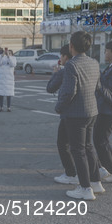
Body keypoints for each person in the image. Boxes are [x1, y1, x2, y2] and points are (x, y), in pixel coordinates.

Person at [56, 31, 104, 200]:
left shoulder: (71, 65)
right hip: (92, 111)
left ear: (72, 46)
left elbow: (69, 91)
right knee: (88, 147)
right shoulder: (94, 62)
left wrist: (59, 107)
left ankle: (85, 188)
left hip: (76, 113)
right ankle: (96, 182)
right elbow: (98, 86)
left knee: (78, 150)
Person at [48, 45, 78, 185]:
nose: (60, 59)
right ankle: (93, 175)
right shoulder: (91, 64)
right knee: (84, 146)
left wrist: (55, 73)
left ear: (66, 56)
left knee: (63, 143)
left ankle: (71, 173)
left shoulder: (66, 70)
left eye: (61, 56)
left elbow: (50, 88)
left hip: (69, 113)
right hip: (88, 112)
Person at [93, 40, 112, 183]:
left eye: (106, 51)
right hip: (105, 109)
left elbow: (107, 86)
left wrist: (97, 79)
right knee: (102, 140)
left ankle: (111, 171)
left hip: (109, 110)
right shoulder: (111, 67)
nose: (105, 53)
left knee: (99, 139)